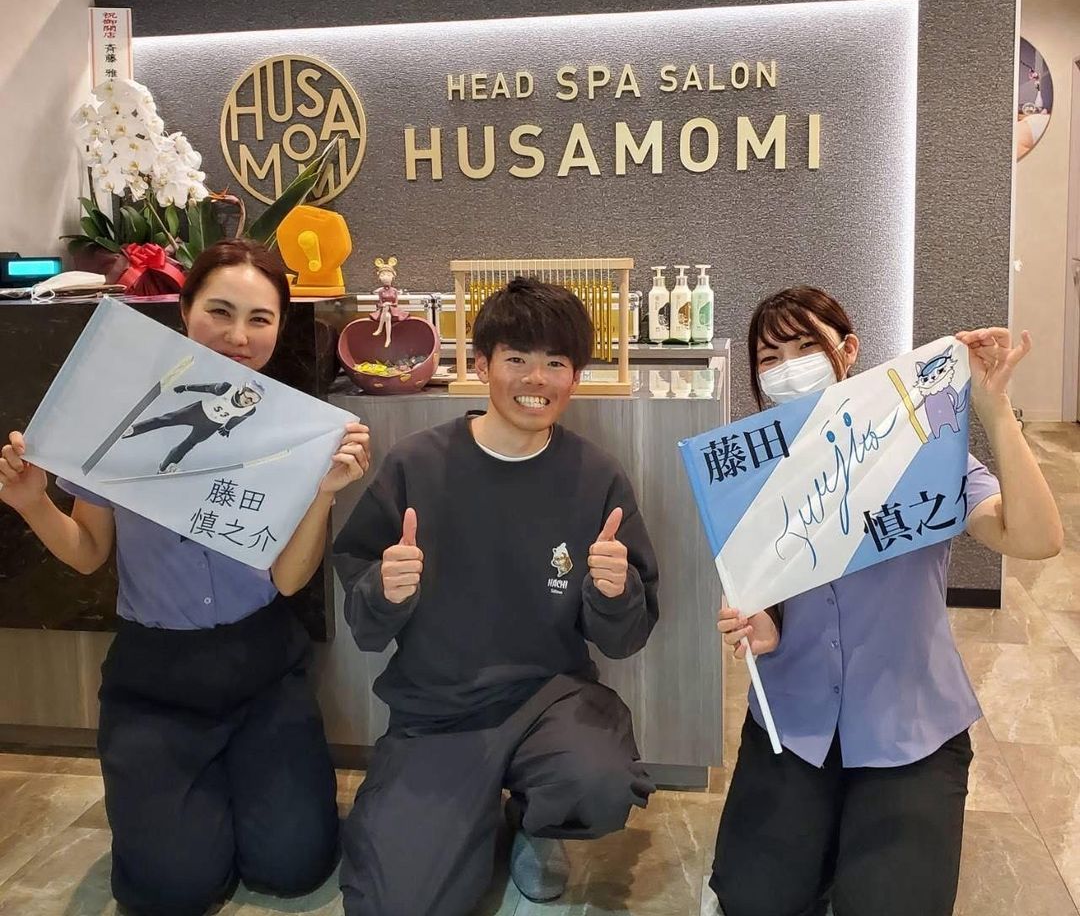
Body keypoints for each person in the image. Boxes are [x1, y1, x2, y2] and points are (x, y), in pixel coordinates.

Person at [0, 239, 371, 916]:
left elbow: (290, 582)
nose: (238, 336)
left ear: (279, 327)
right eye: (219, 312)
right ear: (185, 310)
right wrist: (31, 503)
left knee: (294, 866)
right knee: (171, 890)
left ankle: (243, 779)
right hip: (156, 679)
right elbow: (89, 552)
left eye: (259, 319)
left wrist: (323, 494)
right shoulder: (126, 412)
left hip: (263, 668)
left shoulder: (295, 432)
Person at [711, 286, 1063, 916]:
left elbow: (1036, 538)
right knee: (752, 898)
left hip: (910, 722)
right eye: (770, 358)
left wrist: (995, 411)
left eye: (805, 347)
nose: (789, 367)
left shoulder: (920, 447)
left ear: (848, 350)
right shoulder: (755, 472)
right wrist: (759, 619)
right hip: (796, 718)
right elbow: (753, 588)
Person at [333, 276, 659, 916]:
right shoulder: (417, 465)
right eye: (516, 358)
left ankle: (536, 823)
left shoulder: (596, 477)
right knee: (395, 905)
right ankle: (465, 815)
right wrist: (386, 590)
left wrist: (614, 592)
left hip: (550, 698)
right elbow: (364, 615)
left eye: (556, 363)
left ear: (575, 377)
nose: (536, 379)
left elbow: (625, 637)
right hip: (438, 709)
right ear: (481, 364)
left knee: (597, 781)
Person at [120, 377, 265, 473]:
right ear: (242, 390)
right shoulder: (226, 388)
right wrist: (186, 387)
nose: (249, 401)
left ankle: (164, 468)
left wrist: (227, 428)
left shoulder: (250, 410)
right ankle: (132, 430)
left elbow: (237, 419)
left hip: (211, 425)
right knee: (166, 420)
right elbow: (206, 387)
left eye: (255, 400)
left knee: (188, 444)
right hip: (197, 412)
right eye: (249, 395)